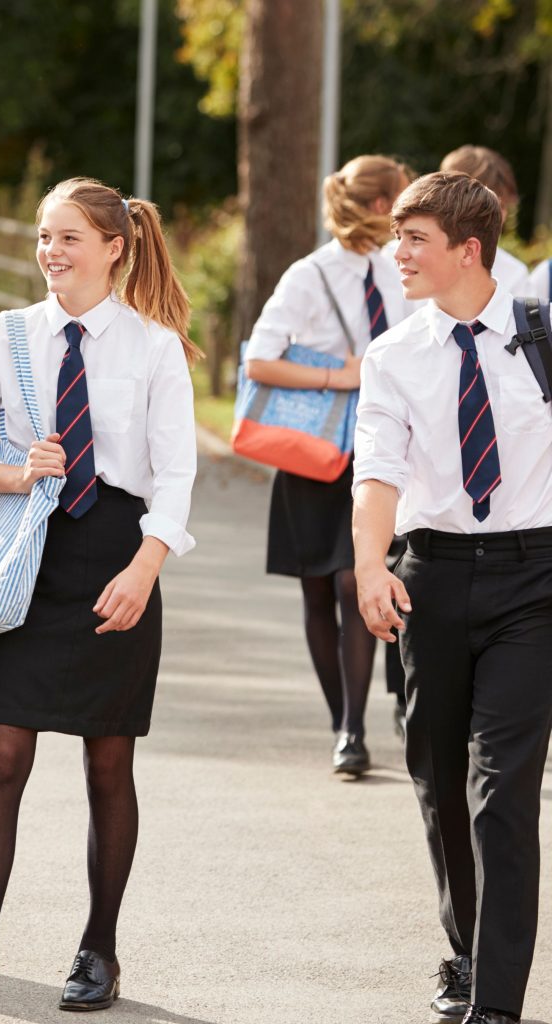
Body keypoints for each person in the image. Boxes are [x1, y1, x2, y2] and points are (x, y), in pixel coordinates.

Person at [0, 178, 197, 1019]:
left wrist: (146, 567)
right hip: (30, 555)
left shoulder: (155, 346)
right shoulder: (4, 335)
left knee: (108, 760)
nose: (51, 253)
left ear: (115, 247)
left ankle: (100, 950)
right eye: (44, 237)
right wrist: (16, 472)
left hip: (119, 557)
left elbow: (176, 474)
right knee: (2, 751)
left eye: (69, 239)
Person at [353, 170, 552, 1024]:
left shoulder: (544, 335)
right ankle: (467, 951)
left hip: (535, 582)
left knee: (501, 790)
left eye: (414, 239)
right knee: (437, 778)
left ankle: (498, 1007)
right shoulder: (395, 355)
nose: (396, 253)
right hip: (427, 578)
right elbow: (377, 474)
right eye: (398, 237)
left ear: (467, 251)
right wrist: (370, 567)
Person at [243, 154, 413, 774]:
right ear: (378, 207)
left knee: (355, 580)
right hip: (316, 452)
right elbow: (259, 362)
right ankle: (345, 719)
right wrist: (338, 375)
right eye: (400, 199)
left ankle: (355, 726)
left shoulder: (405, 269)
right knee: (319, 588)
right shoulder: (309, 276)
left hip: (383, 447)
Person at [440, 145, 529, 296]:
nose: (499, 216)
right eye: (485, 205)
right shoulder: (403, 257)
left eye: (502, 206)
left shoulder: (515, 274)